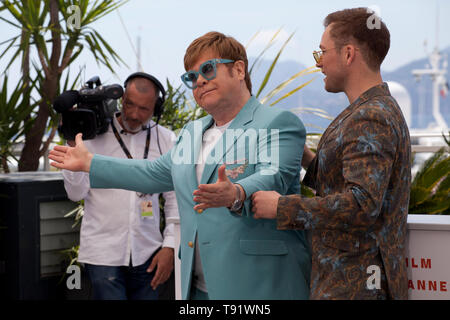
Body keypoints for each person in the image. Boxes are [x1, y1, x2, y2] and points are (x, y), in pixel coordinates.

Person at [50, 31, 311, 300]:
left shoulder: (277, 122)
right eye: (191, 77)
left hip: (259, 286)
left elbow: (274, 174)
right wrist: (89, 163)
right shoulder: (192, 131)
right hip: (196, 286)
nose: (199, 81)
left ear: (238, 70)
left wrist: (237, 193)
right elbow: (152, 173)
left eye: (208, 69)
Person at [252, 8, 411, 300]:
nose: (318, 62)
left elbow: (363, 206)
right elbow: (351, 185)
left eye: (322, 52)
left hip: (354, 287)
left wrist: (282, 207)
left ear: (349, 54)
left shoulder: (370, 116)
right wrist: (305, 157)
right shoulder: (371, 109)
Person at [61, 73, 179, 300]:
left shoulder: (166, 140)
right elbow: (75, 194)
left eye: (144, 109)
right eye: (130, 104)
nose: (134, 114)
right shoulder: (90, 135)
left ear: (156, 108)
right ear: (121, 99)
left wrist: (170, 247)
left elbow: (175, 199)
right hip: (103, 255)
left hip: (149, 253)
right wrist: (71, 146)